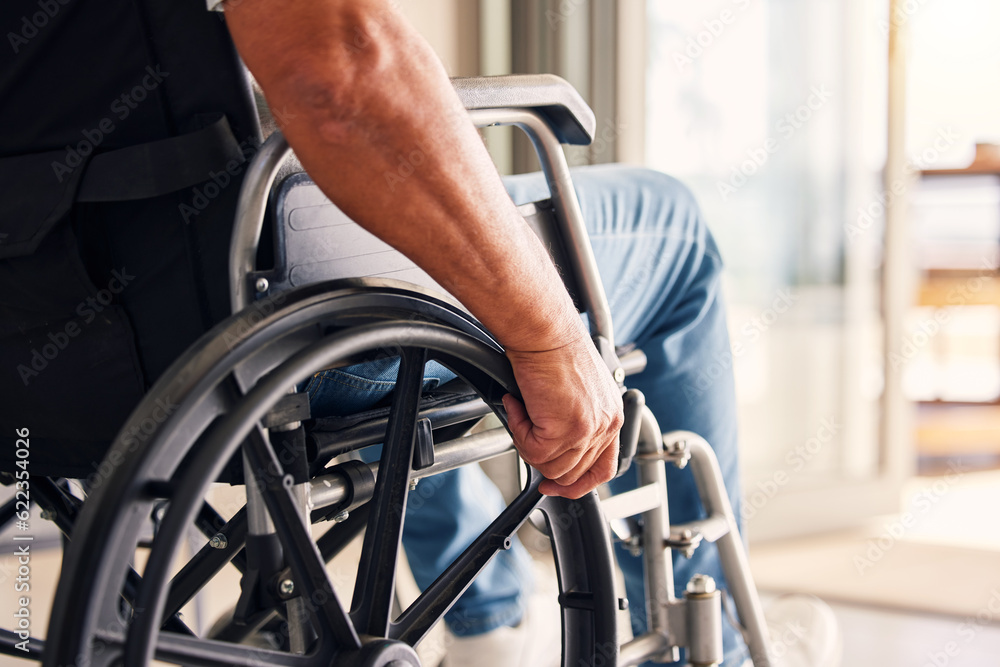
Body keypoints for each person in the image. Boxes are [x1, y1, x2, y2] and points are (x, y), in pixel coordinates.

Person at [0, 1, 746, 664]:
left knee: (375, 282)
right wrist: (550, 336)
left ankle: (491, 613)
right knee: (672, 230)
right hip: (222, 335)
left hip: (35, 362)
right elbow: (337, 71)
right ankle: (719, 653)